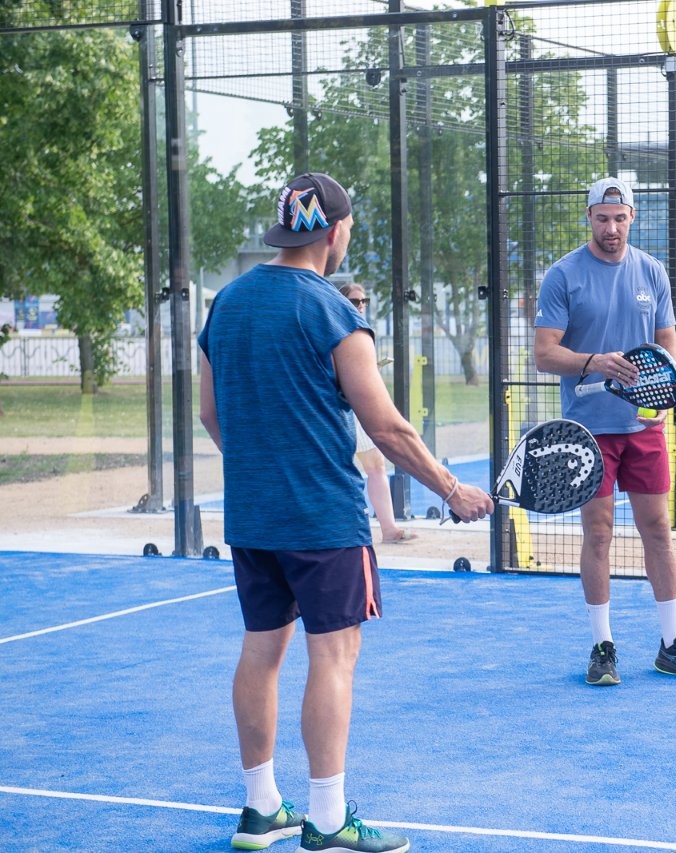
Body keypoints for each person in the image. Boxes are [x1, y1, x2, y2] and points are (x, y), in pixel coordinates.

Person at [199, 172, 493, 852]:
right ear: (335, 231)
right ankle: (328, 819)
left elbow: (212, 414)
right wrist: (452, 489)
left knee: (261, 650)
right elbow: (387, 428)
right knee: (333, 656)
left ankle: (261, 808)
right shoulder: (333, 311)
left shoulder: (226, 304)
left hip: (252, 516)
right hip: (324, 519)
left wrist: (263, 466)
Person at [533, 176, 676, 687]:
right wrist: (594, 361)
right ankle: (603, 647)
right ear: (589, 218)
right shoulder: (563, 275)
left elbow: (668, 344)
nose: (611, 228)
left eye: (619, 218)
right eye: (602, 218)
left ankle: (672, 644)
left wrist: (663, 393)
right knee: (598, 533)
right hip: (588, 432)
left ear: (632, 217)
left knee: (657, 529)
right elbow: (544, 353)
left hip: (644, 427)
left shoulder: (651, 271)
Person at [338, 283, 418, 545]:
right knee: (352, 469)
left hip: (359, 406)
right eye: (355, 301)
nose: (360, 305)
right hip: (346, 408)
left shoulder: (359, 330)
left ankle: (388, 528)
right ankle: (364, 529)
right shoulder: (341, 328)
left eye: (364, 301)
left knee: (375, 466)